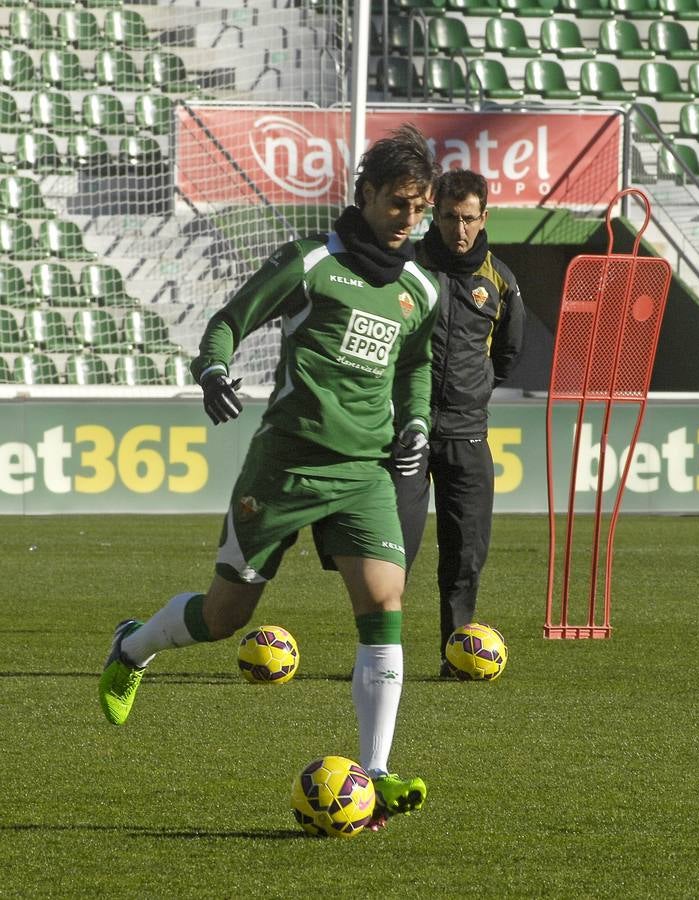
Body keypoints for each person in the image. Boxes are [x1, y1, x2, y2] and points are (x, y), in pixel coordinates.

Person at [98, 124, 442, 830]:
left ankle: (373, 776)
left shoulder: (420, 290)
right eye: (399, 204)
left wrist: (414, 423)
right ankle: (133, 645)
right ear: (367, 194)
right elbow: (230, 320)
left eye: (421, 207)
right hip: (285, 468)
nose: (410, 220)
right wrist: (213, 369)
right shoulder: (313, 262)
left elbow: (415, 367)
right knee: (226, 619)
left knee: (385, 605)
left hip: (363, 473)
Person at [391, 169, 525, 677]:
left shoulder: (501, 281)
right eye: (449, 217)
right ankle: (383, 658)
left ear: (483, 217)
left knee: (465, 558)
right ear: (434, 216)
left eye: (469, 218)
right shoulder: (403, 268)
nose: (459, 229)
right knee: (391, 553)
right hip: (403, 433)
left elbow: (509, 355)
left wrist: (471, 399)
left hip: (468, 438)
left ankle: (457, 658)